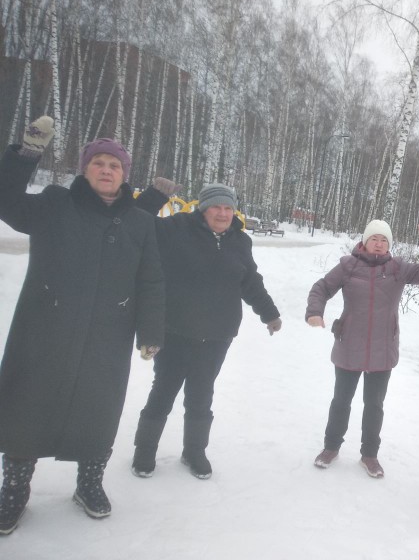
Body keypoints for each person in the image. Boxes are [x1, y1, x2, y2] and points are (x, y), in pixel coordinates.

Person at [0, 118, 165, 534]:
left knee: (99, 408)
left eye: (115, 164)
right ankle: (15, 489)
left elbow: (151, 279)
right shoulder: (55, 203)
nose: (106, 169)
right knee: (27, 406)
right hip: (44, 329)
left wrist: (151, 332)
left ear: (125, 175)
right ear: (85, 169)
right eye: (99, 163)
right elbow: (7, 202)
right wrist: (26, 155)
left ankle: (89, 484)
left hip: (108, 333)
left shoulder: (140, 222)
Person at [131, 182, 282, 480]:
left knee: (201, 395)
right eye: (216, 207)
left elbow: (250, 281)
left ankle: (194, 451)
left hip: (217, 335)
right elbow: (136, 221)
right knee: (163, 391)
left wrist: (268, 312)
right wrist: (155, 195)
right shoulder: (175, 229)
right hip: (175, 330)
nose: (223, 213)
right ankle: (144, 450)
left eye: (228, 208)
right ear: (203, 208)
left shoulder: (240, 241)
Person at [306, 219, 419, 478]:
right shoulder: (348, 265)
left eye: (384, 240)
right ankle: (330, 447)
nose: (378, 244)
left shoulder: (398, 268)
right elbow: (321, 288)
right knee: (341, 401)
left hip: (383, 349)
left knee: (374, 404)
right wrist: (315, 311)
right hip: (349, 346)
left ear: (389, 245)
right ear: (365, 241)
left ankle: (369, 455)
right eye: (374, 239)